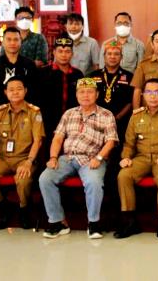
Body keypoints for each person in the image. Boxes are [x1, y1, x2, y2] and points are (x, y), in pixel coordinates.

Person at [38, 77, 118, 239]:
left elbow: (111, 141)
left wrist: (99, 158)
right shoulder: (69, 113)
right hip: (67, 158)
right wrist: (53, 157)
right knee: (45, 178)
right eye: (82, 92)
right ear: (76, 95)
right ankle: (58, 222)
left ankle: (93, 223)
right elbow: (58, 138)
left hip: (92, 158)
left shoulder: (106, 114)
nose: (85, 95)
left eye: (89, 92)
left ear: (97, 94)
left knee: (94, 182)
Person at [115, 78, 158, 242]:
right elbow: (129, 143)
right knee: (123, 175)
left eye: (156, 92)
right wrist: (126, 157)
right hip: (142, 158)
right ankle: (131, 222)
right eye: (148, 92)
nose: (152, 96)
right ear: (143, 95)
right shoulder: (136, 116)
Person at [0, 76, 44, 230]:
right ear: (5, 92)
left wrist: (28, 162)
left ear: (25, 91)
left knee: (23, 179)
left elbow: (38, 141)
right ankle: (3, 208)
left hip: (25, 158)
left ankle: (24, 209)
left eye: (19, 89)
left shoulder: (34, 112)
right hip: (3, 159)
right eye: (11, 90)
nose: (15, 92)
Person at [35, 37, 83, 136]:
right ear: (54, 52)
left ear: (72, 54)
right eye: (60, 51)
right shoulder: (42, 73)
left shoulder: (78, 74)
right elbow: (36, 101)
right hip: (47, 124)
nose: (63, 55)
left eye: (67, 52)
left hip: (72, 123)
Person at [88, 41, 134, 138]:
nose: (112, 57)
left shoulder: (129, 76)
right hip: (96, 121)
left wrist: (117, 118)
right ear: (104, 56)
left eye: (116, 54)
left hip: (120, 122)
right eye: (109, 54)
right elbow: (87, 99)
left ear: (121, 57)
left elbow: (130, 102)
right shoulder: (93, 75)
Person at [0, 27, 37, 109]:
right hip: (0, 110)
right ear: (3, 42)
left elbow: (34, 91)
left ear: (21, 42)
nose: (12, 43)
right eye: (9, 39)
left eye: (16, 39)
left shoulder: (29, 64)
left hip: (25, 110)